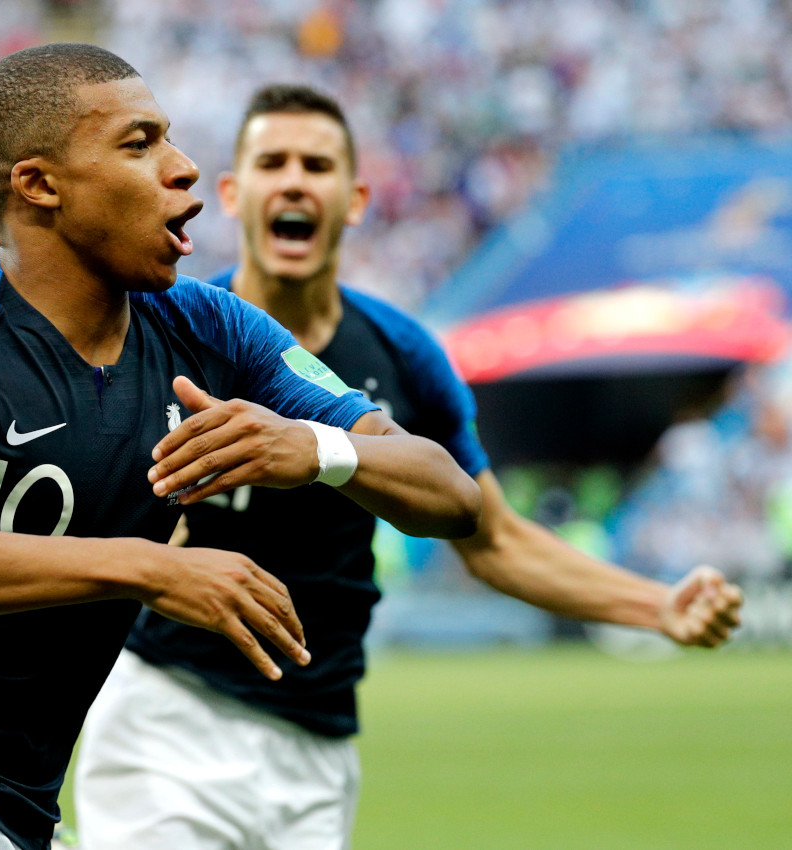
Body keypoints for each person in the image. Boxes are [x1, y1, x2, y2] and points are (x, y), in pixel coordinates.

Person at [0, 47, 483, 850]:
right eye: (140, 144)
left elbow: (449, 494)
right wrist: (148, 564)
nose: (186, 169)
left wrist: (315, 447)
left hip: (14, 812)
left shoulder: (215, 329)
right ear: (40, 184)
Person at [73, 83, 746, 850]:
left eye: (317, 164)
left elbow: (491, 538)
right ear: (232, 192)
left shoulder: (404, 354)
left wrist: (656, 608)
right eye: (273, 162)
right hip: (170, 717)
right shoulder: (167, 336)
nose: (295, 179)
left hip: (320, 748)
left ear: (355, 199)